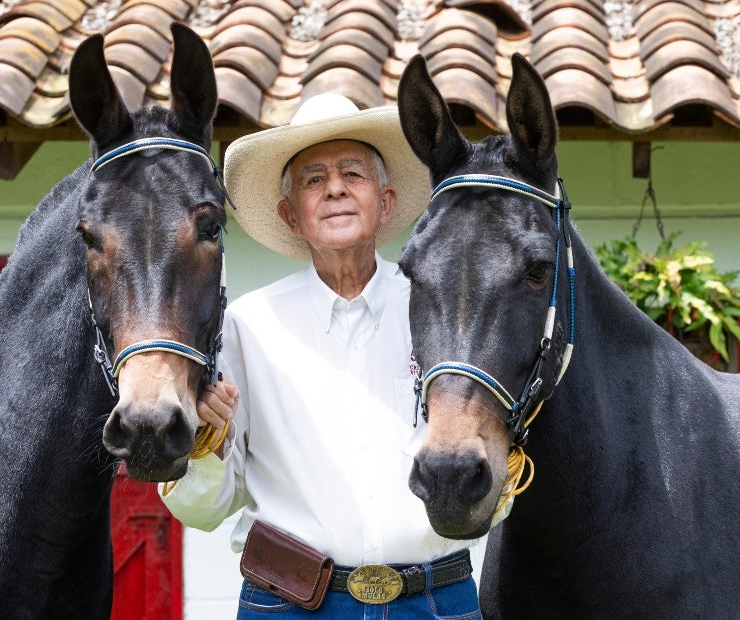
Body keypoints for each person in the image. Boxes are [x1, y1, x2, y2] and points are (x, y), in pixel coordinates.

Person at [161, 94, 497, 618]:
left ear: (386, 203)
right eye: (313, 179)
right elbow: (204, 510)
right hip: (289, 604)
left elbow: (494, 489)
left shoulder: (444, 312)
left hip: (435, 602)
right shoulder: (246, 328)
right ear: (289, 215)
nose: (335, 187)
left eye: (352, 174)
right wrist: (206, 445)